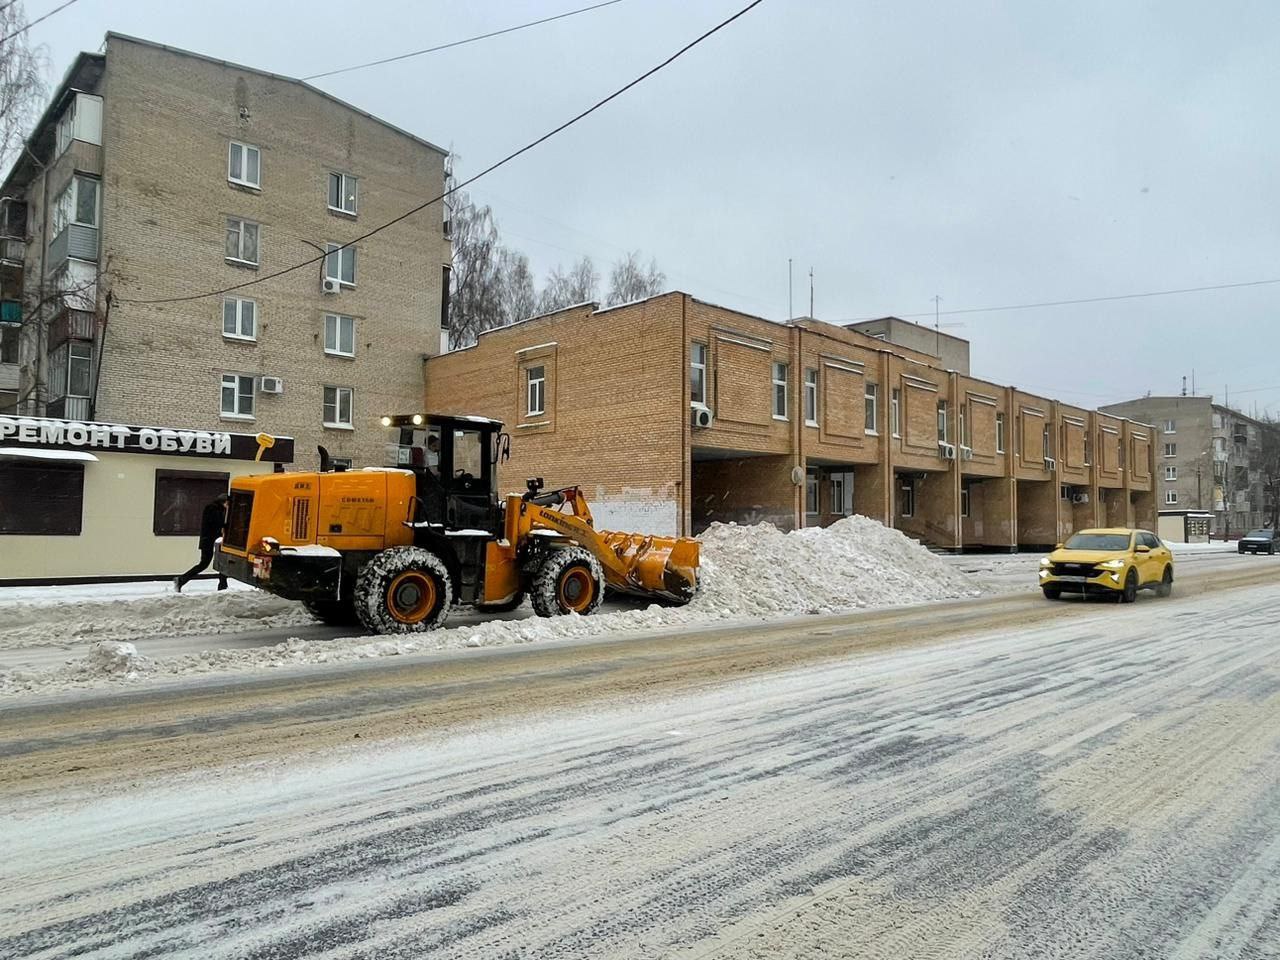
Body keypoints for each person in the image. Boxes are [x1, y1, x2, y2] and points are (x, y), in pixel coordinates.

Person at [175, 493, 229, 592]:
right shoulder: (213, 509)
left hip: (212, 540)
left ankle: (223, 585)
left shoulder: (216, 508)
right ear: (224, 502)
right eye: (227, 504)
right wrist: (226, 525)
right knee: (205, 563)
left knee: (222, 562)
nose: (227, 506)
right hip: (209, 540)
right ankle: (181, 579)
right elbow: (216, 523)